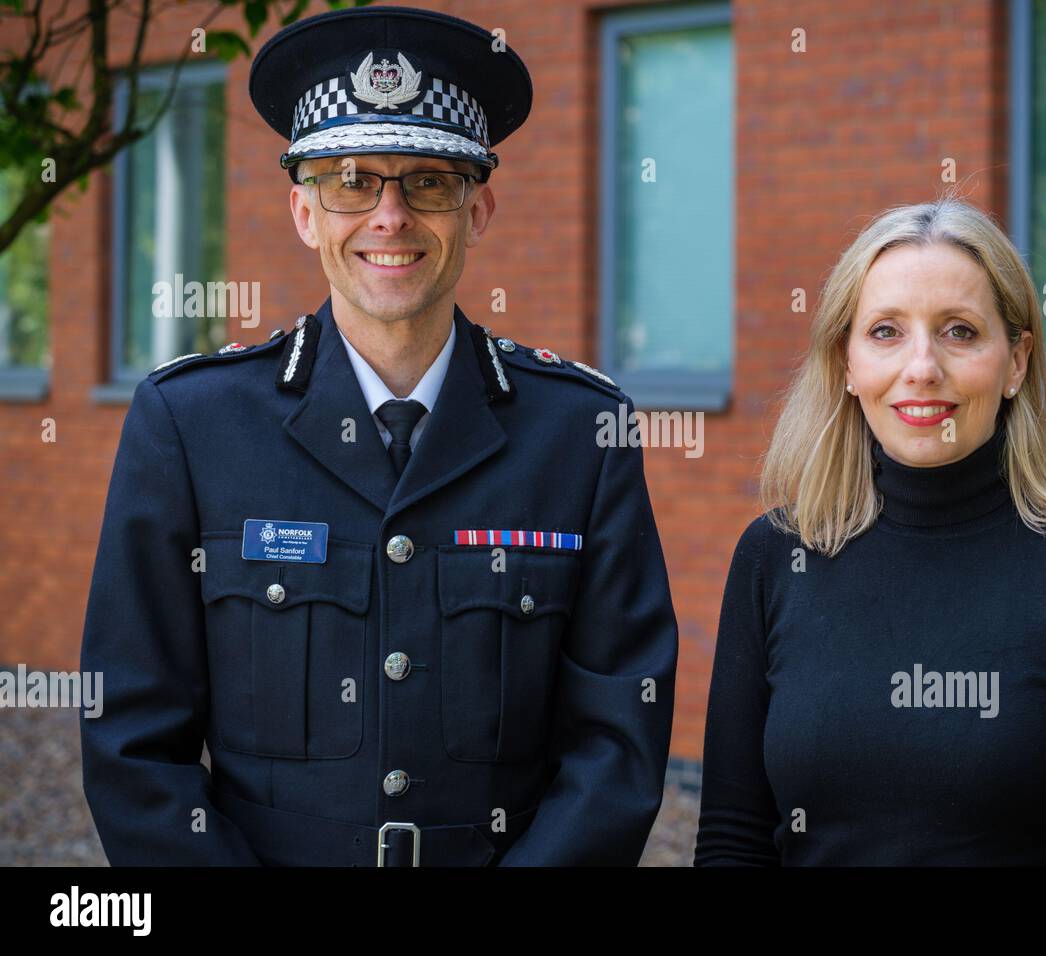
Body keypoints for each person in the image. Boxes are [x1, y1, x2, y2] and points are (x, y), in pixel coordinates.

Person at [79, 5, 677, 866]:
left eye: (428, 181)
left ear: (477, 211)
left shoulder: (581, 434)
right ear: (304, 212)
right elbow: (133, 742)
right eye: (352, 181)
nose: (389, 216)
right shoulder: (192, 425)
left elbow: (617, 744)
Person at [693, 198, 1046, 865]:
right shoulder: (775, 558)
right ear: (847, 363)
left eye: (959, 331)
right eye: (885, 332)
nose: (922, 368)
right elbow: (733, 842)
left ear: (1016, 362)